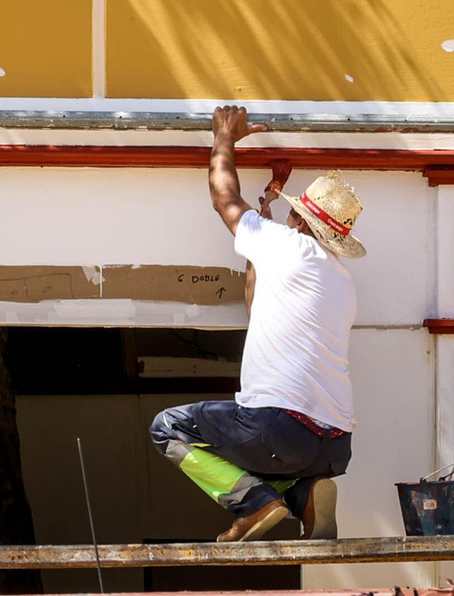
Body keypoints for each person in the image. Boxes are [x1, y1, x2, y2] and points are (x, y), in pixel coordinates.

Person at [151, 105, 363, 542]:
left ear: (300, 221)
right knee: (263, 463)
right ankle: (305, 494)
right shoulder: (342, 281)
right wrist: (259, 242)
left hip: (278, 428)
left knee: (167, 427)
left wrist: (224, 139)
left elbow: (225, 200)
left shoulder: (287, 247)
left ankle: (252, 504)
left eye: (292, 213)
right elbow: (256, 307)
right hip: (331, 447)